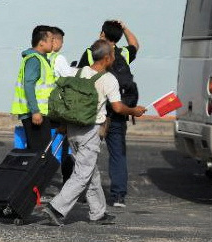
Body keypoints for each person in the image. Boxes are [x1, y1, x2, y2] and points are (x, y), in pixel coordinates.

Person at [44, 40, 146, 227]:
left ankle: (98, 213)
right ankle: (56, 208)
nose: (114, 58)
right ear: (107, 58)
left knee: (90, 171)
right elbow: (117, 107)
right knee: (83, 173)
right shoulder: (108, 79)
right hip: (90, 130)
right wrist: (134, 111)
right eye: (113, 55)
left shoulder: (77, 72)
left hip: (72, 129)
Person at [79, 20, 140, 207]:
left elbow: (80, 77)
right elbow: (135, 45)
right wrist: (125, 27)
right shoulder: (122, 53)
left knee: (88, 153)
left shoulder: (92, 53)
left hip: (96, 112)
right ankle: (119, 195)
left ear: (102, 34)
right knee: (118, 154)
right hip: (118, 111)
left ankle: (82, 190)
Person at [11, 25, 57, 153]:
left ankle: (38, 173)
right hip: (35, 113)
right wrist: (35, 111)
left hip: (40, 112)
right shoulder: (34, 60)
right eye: (51, 39)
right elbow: (29, 85)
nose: (54, 42)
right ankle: (36, 174)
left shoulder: (42, 59)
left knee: (40, 151)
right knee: (39, 152)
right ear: (41, 42)